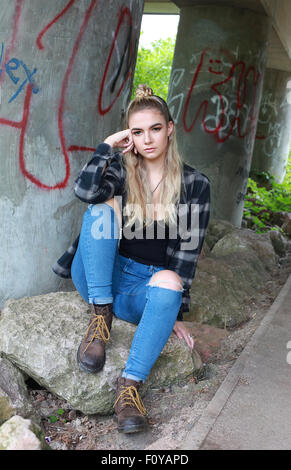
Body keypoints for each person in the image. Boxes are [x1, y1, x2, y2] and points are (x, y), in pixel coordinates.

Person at [53, 84, 210, 434]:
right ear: (131, 137)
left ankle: (128, 391)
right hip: (99, 274)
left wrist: (170, 311)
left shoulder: (195, 184)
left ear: (170, 128)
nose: (148, 139)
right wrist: (107, 146)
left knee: (169, 282)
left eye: (155, 128)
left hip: (144, 286)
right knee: (100, 213)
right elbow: (85, 192)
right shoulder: (122, 169)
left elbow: (186, 257)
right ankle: (100, 320)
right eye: (138, 132)